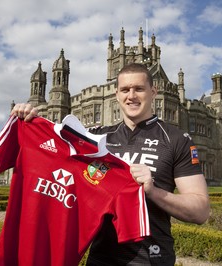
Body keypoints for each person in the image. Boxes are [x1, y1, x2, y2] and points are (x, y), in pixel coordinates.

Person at [11, 63, 210, 265]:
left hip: (152, 259)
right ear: (116, 94)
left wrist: (153, 191)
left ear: (153, 92)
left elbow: (200, 211)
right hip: (101, 259)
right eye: (125, 90)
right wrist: (31, 121)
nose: (131, 95)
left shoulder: (176, 139)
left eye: (139, 89)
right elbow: (50, 149)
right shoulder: (97, 138)